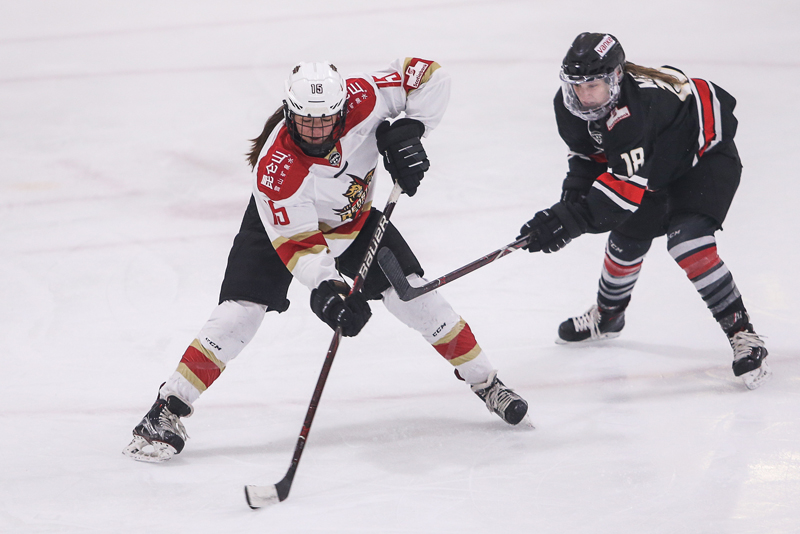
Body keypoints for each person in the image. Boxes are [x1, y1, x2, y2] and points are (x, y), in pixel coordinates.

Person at [123, 58, 529, 462]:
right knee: (238, 315)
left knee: (418, 299)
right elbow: (301, 246)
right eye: (306, 122)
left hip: (355, 223)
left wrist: (412, 128)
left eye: (324, 121)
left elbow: (430, 75)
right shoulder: (276, 172)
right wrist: (330, 291)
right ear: (289, 112)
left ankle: (487, 383)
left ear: (341, 109)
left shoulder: (364, 97)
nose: (316, 132)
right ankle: (167, 409)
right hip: (280, 230)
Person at [516, 33, 771, 390]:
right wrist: (567, 208)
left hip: (703, 160)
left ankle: (743, 333)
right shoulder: (568, 104)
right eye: (578, 86)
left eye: (594, 85)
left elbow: (617, 198)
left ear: (616, 79)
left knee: (688, 242)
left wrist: (566, 222)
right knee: (626, 239)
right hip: (655, 163)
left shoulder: (635, 111)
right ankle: (608, 317)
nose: (584, 96)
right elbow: (588, 160)